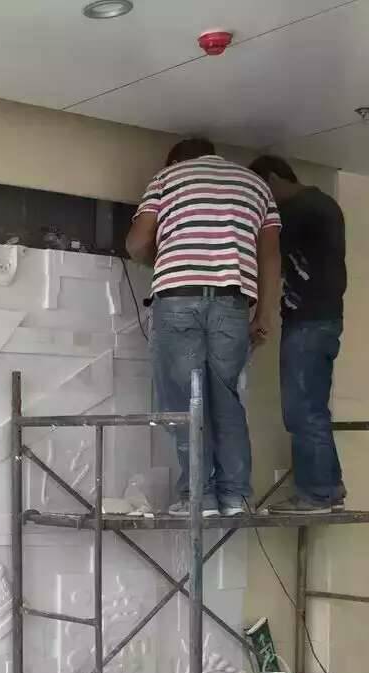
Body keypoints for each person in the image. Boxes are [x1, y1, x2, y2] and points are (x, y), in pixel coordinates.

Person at [126, 138, 282, 517]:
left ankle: (200, 497)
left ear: (176, 160)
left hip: (179, 298)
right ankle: (236, 497)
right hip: (232, 301)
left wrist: (163, 256)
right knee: (225, 398)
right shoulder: (256, 185)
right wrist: (264, 314)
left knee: (185, 399)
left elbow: (137, 242)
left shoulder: (167, 178)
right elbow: (270, 255)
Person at [249, 154, 347, 513]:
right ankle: (328, 488)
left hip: (309, 321)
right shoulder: (322, 205)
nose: (263, 204)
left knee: (302, 409)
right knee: (310, 407)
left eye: (262, 193)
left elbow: (268, 256)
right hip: (319, 320)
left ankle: (318, 493)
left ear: (274, 179)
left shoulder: (300, 209)